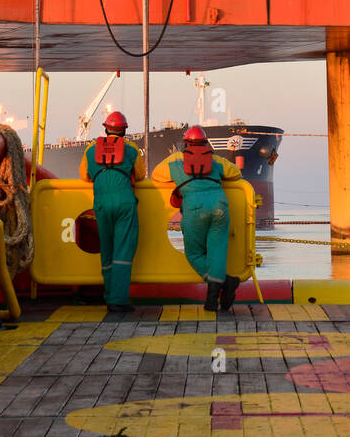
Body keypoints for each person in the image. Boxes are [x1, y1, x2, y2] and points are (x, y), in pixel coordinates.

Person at [152, 126, 241, 312]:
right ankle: (212, 300)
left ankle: (225, 283)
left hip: (194, 209)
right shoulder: (215, 159)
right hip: (219, 207)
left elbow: (156, 175)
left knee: (193, 254)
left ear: (185, 142)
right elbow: (236, 173)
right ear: (206, 141)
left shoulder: (176, 159)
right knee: (217, 252)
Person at [79, 111, 145, 314]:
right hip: (124, 202)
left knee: (106, 249)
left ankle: (108, 295)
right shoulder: (131, 148)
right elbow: (141, 175)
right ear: (124, 130)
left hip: (101, 203)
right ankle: (118, 300)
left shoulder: (91, 149)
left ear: (105, 128)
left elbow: (84, 176)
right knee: (123, 251)